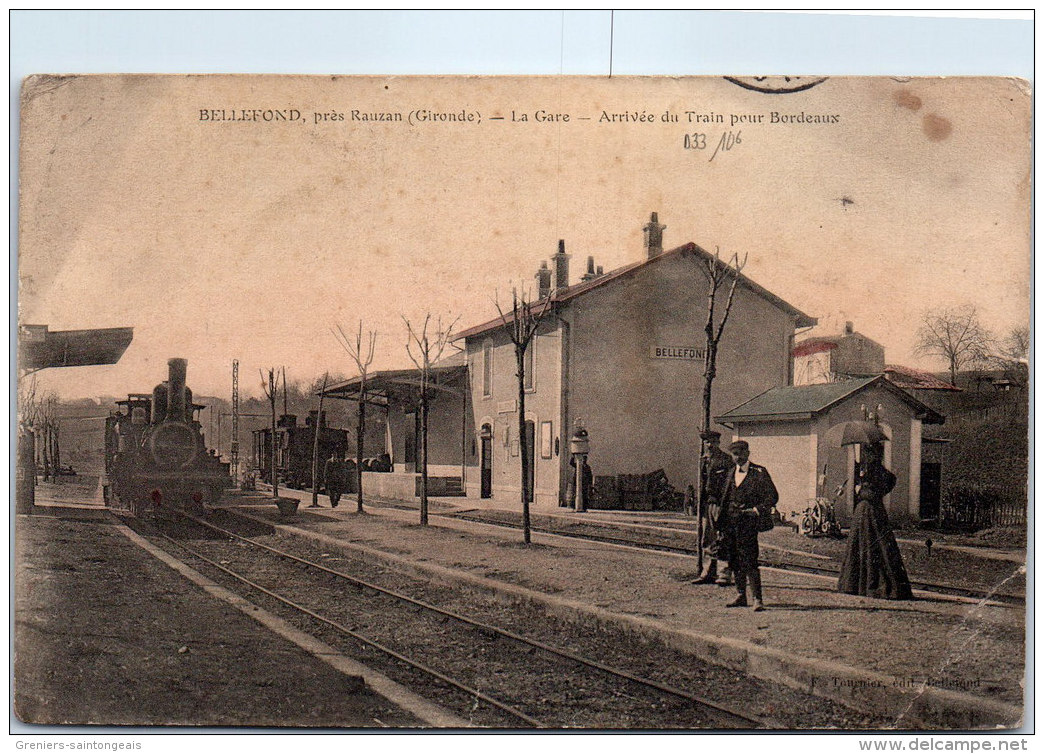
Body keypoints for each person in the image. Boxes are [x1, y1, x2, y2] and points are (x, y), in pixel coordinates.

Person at [837, 442, 914, 600]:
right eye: (867, 453)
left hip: (869, 510)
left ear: (876, 454)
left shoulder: (875, 469)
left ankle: (869, 585)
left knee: (874, 546)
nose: (868, 456)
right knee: (864, 546)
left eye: (870, 453)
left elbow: (889, 480)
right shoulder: (867, 469)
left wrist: (867, 487)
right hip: (866, 511)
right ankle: (858, 585)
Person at [718, 440, 778, 611]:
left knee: (750, 560)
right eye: (734, 454)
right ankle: (740, 595)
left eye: (741, 453)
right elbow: (725, 498)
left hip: (748, 524)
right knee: (734, 559)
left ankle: (757, 599)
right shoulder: (730, 473)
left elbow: (772, 496)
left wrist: (757, 509)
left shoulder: (759, 472)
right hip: (731, 523)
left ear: (748, 453)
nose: (738, 457)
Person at [693, 430, 735, 585]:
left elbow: (730, 484)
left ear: (718, 443)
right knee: (708, 538)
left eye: (713, 442)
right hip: (707, 504)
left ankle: (724, 574)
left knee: (722, 537)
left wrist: (726, 504)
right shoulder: (703, 460)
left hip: (721, 503)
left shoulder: (726, 460)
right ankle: (708, 572)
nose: (710, 445)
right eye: (707, 442)